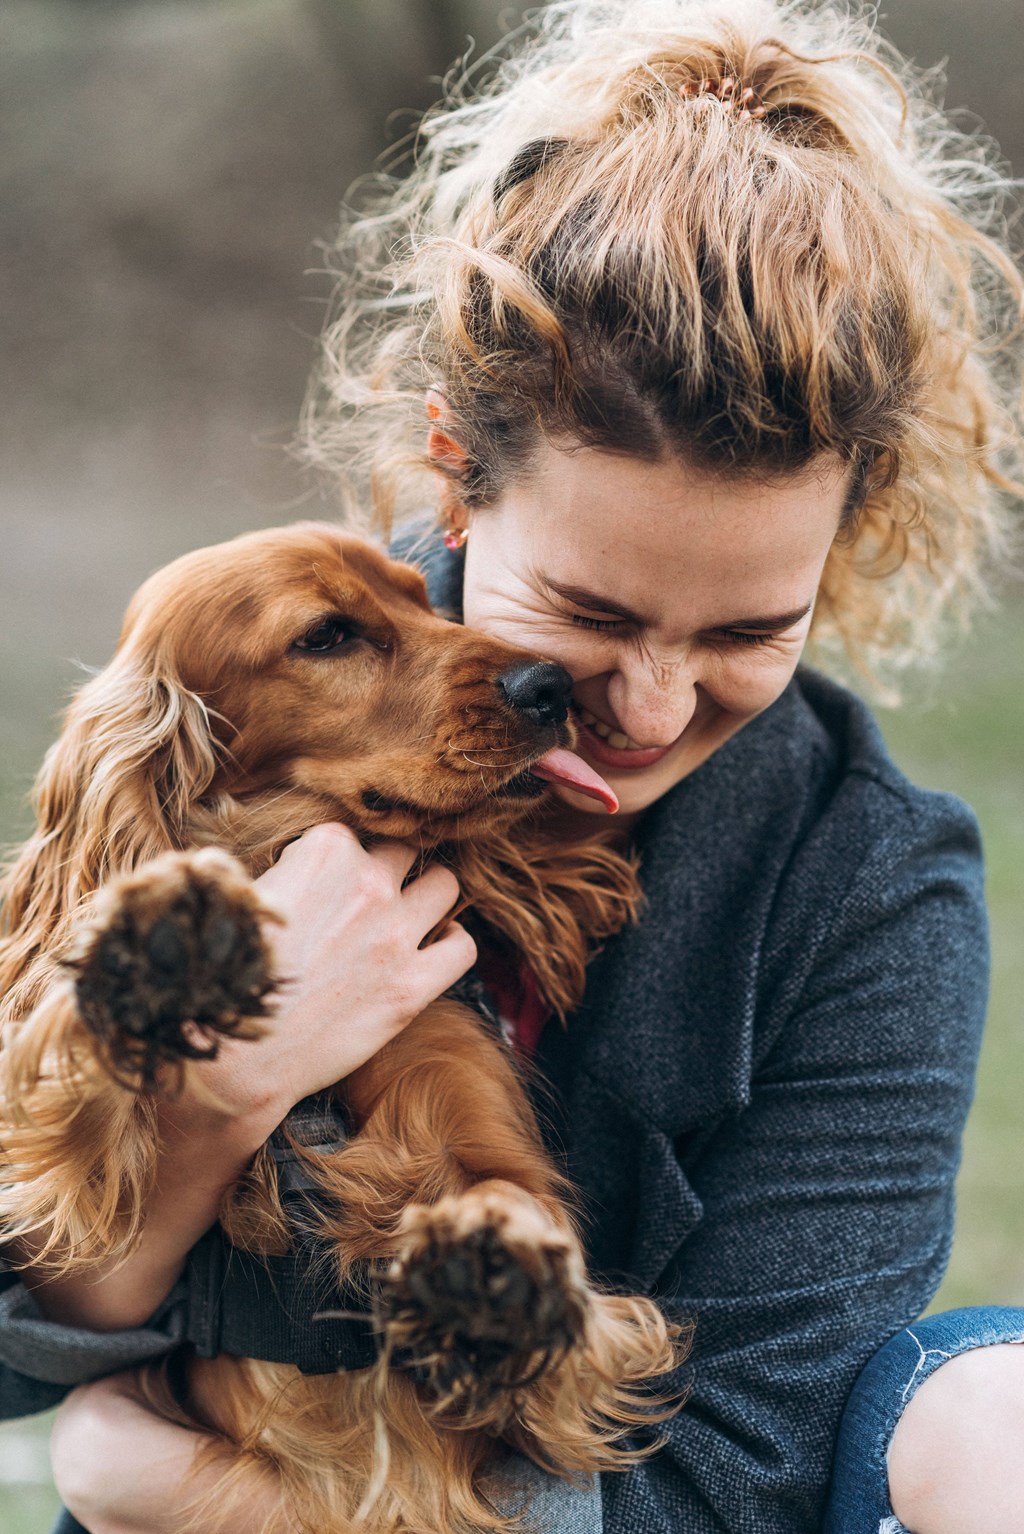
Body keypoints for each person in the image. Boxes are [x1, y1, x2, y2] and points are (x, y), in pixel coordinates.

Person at [2, 0, 1022, 1529]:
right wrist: (225, 1095)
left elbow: (741, 1471)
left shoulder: (870, 887)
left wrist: (200, 1499)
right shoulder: (245, 704)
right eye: (590, 616)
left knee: (983, 1387)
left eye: (752, 626)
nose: (656, 706)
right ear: (457, 476)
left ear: (845, 533)